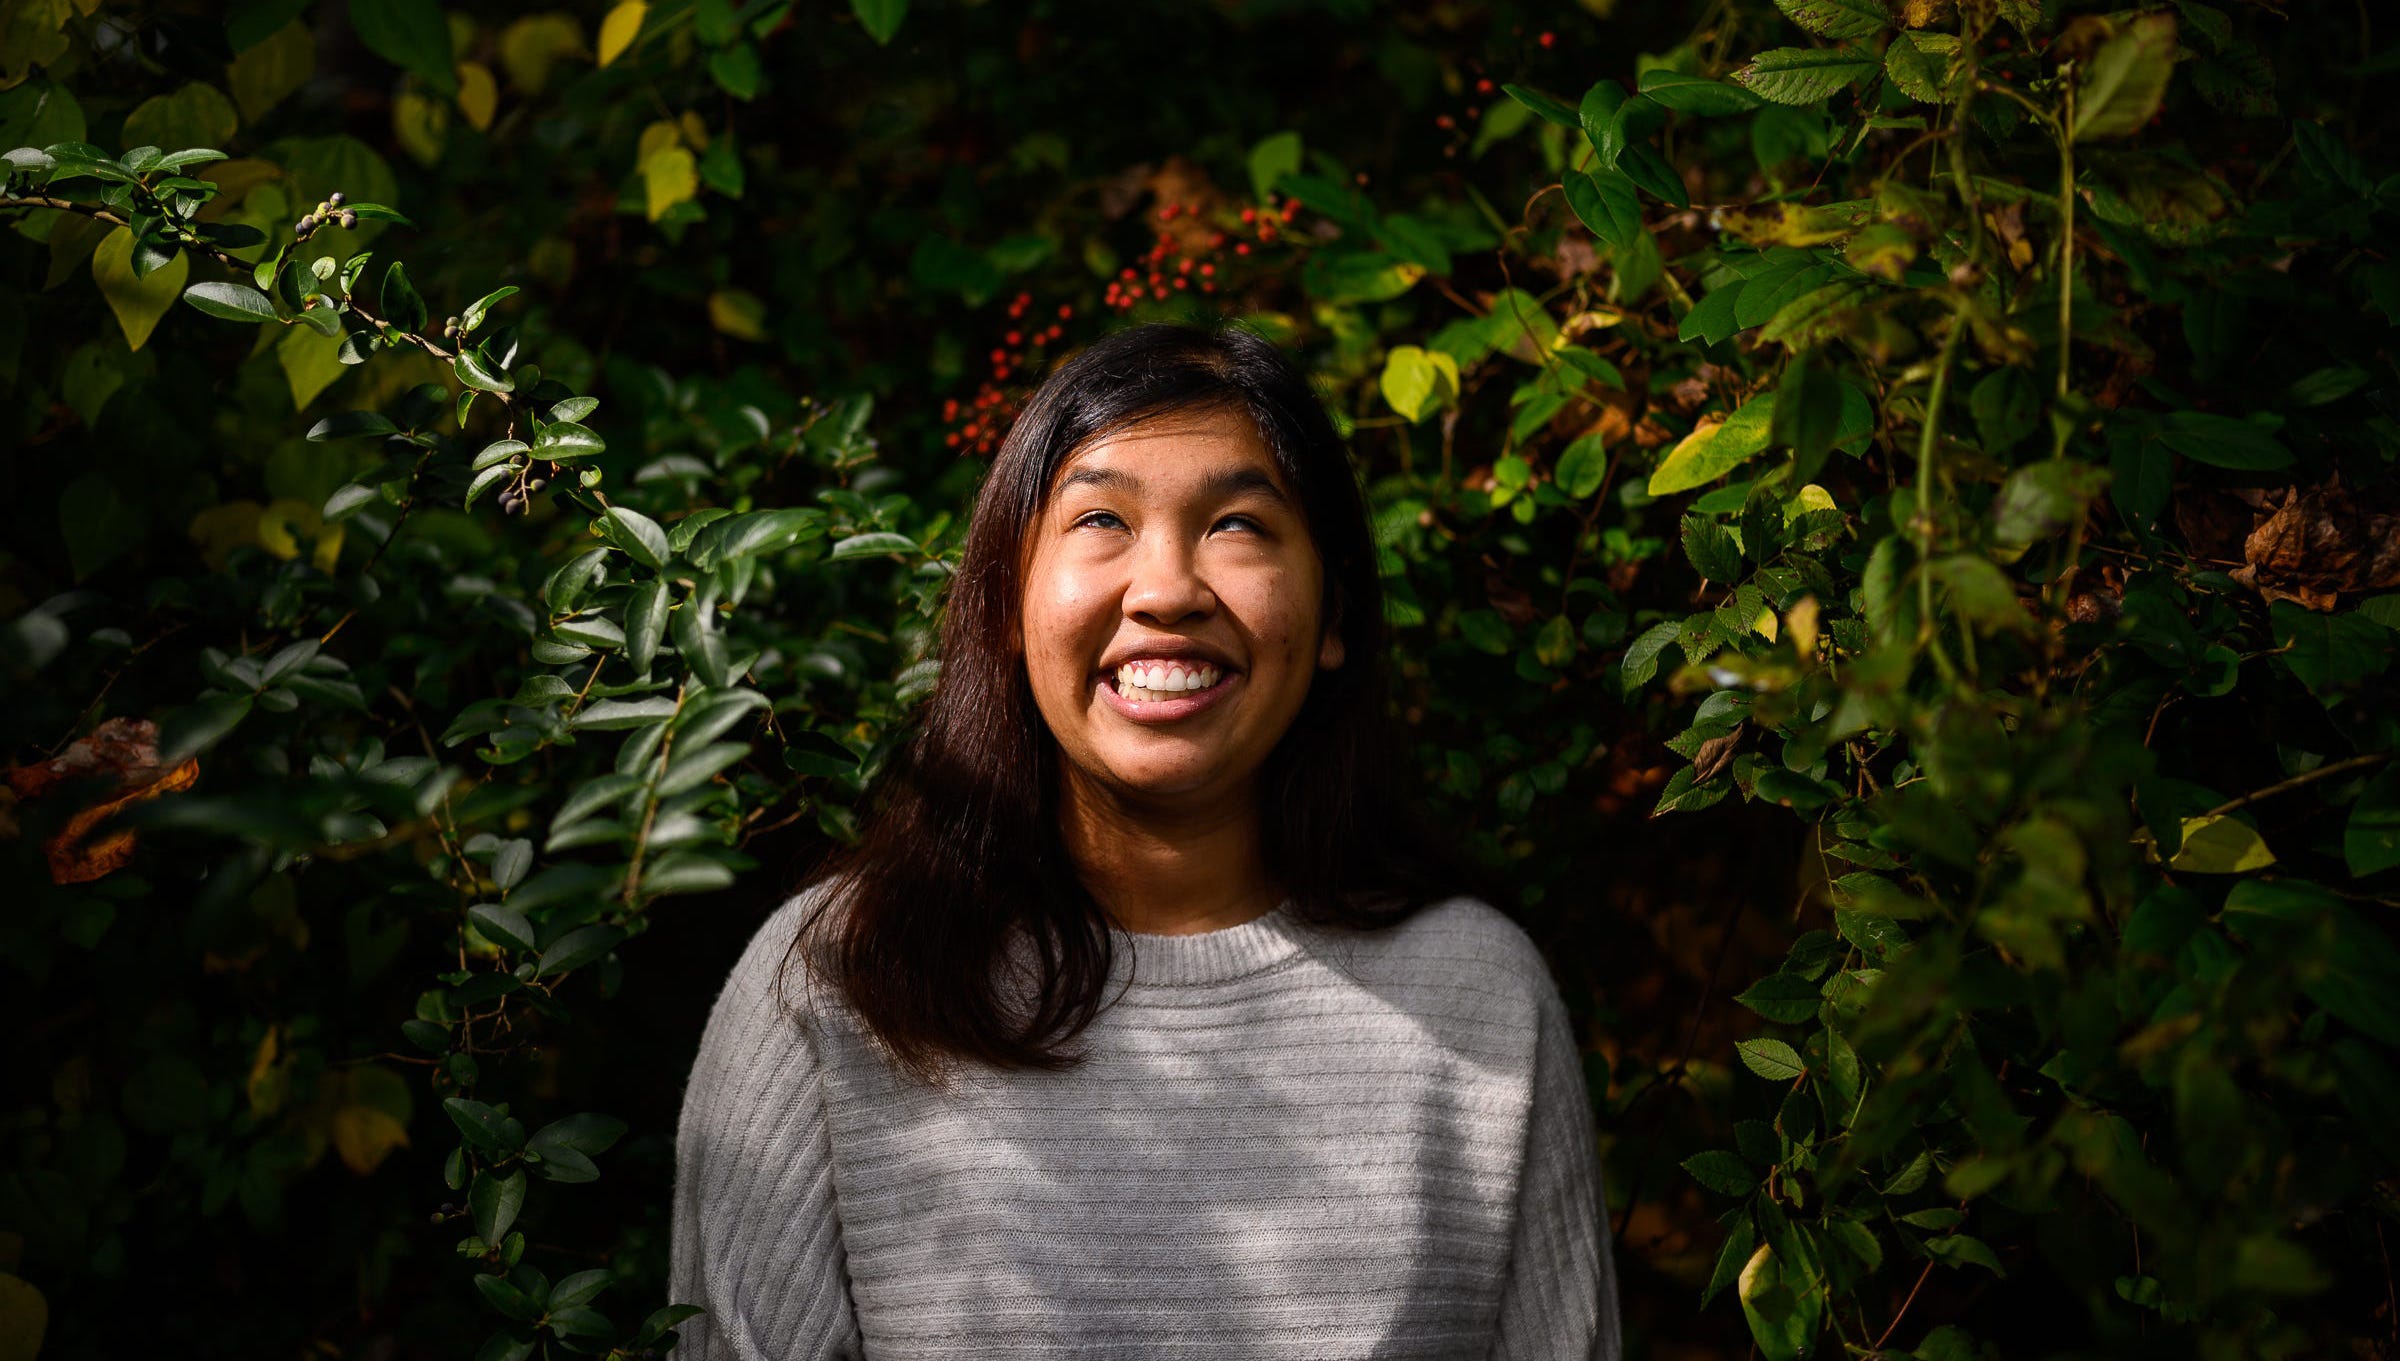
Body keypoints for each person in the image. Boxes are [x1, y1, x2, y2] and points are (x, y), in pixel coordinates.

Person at [667, 321, 1622, 1358]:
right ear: (1005, 603)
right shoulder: (840, 979)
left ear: (1335, 608)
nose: (1166, 589)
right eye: (1102, 519)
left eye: (1238, 525)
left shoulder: (1479, 993)